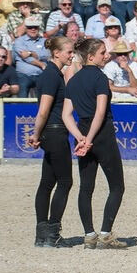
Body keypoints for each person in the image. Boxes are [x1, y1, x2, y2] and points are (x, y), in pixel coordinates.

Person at [62, 37, 128, 249]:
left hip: (82, 131)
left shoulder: (72, 80)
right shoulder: (100, 78)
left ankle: (89, 235)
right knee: (117, 186)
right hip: (101, 134)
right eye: (102, 53)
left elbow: (66, 115)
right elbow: (100, 112)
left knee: (86, 188)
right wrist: (89, 139)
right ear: (91, 57)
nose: (106, 55)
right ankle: (106, 234)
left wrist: (80, 138)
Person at [27, 36, 84, 247]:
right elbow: (43, 111)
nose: (71, 55)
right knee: (65, 181)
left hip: (50, 133)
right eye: (69, 52)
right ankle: (52, 233)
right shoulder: (51, 75)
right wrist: (35, 134)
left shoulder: (52, 74)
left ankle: (41, 235)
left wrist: (38, 134)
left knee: (47, 182)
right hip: (55, 132)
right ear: (56, 53)